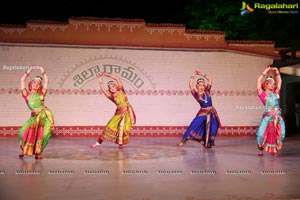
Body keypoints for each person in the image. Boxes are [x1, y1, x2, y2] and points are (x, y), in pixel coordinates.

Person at [91, 72, 136, 148]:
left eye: (113, 86)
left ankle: (121, 144)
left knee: (124, 128)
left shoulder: (121, 91)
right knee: (109, 126)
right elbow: (104, 90)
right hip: (119, 113)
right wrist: (100, 80)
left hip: (127, 113)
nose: (111, 88)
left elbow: (117, 79)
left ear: (116, 86)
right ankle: (98, 142)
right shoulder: (111, 96)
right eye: (110, 87)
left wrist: (107, 74)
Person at [177, 70, 221, 148]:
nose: (202, 87)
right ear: (197, 86)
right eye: (200, 85)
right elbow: (190, 85)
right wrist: (193, 75)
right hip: (202, 113)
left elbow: (210, 80)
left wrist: (201, 74)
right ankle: (183, 141)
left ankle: (206, 142)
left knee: (213, 126)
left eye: (203, 85)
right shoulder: (196, 94)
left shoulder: (207, 90)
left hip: (211, 112)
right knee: (194, 125)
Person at [18, 66, 54, 159]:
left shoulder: (41, 93)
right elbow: (22, 80)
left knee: (43, 135)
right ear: (30, 84)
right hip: (34, 118)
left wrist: (43, 70)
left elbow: (46, 81)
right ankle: (24, 150)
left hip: (44, 117)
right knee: (24, 133)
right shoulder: (26, 94)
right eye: (34, 82)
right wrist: (28, 72)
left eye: (38, 83)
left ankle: (38, 153)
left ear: (39, 86)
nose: (35, 84)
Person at [256, 66, 285, 156]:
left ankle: (274, 150)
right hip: (267, 116)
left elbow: (280, 81)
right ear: (266, 84)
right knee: (262, 133)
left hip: (277, 116)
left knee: (277, 133)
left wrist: (276, 71)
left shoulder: (276, 93)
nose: (273, 85)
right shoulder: (262, 94)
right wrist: (266, 70)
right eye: (271, 83)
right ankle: (260, 150)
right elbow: (258, 81)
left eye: (274, 83)